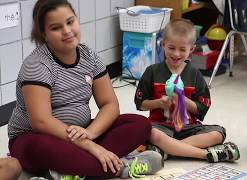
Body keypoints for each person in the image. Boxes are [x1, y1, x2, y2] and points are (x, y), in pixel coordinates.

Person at [7, 0, 163, 179]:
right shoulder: (37, 64)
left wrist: (90, 133)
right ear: (44, 34)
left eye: (70, 22)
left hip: (80, 132)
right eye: (56, 28)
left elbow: (109, 104)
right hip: (35, 138)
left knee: (139, 124)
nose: (67, 31)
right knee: (46, 148)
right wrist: (91, 146)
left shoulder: (89, 55)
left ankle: (70, 172)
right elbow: (41, 122)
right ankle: (121, 168)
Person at [134, 19, 240, 163]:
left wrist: (183, 100)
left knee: (218, 133)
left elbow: (202, 107)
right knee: (149, 132)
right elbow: (140, 104)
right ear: (163, 44)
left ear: (191, 49)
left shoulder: (195, 75)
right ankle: (205, 154)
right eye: (171, 48)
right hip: (160, 127)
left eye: (182, 49)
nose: (176, 54)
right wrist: (159, 103)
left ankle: (167, 150)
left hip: (189, 129)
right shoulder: (152, 72)